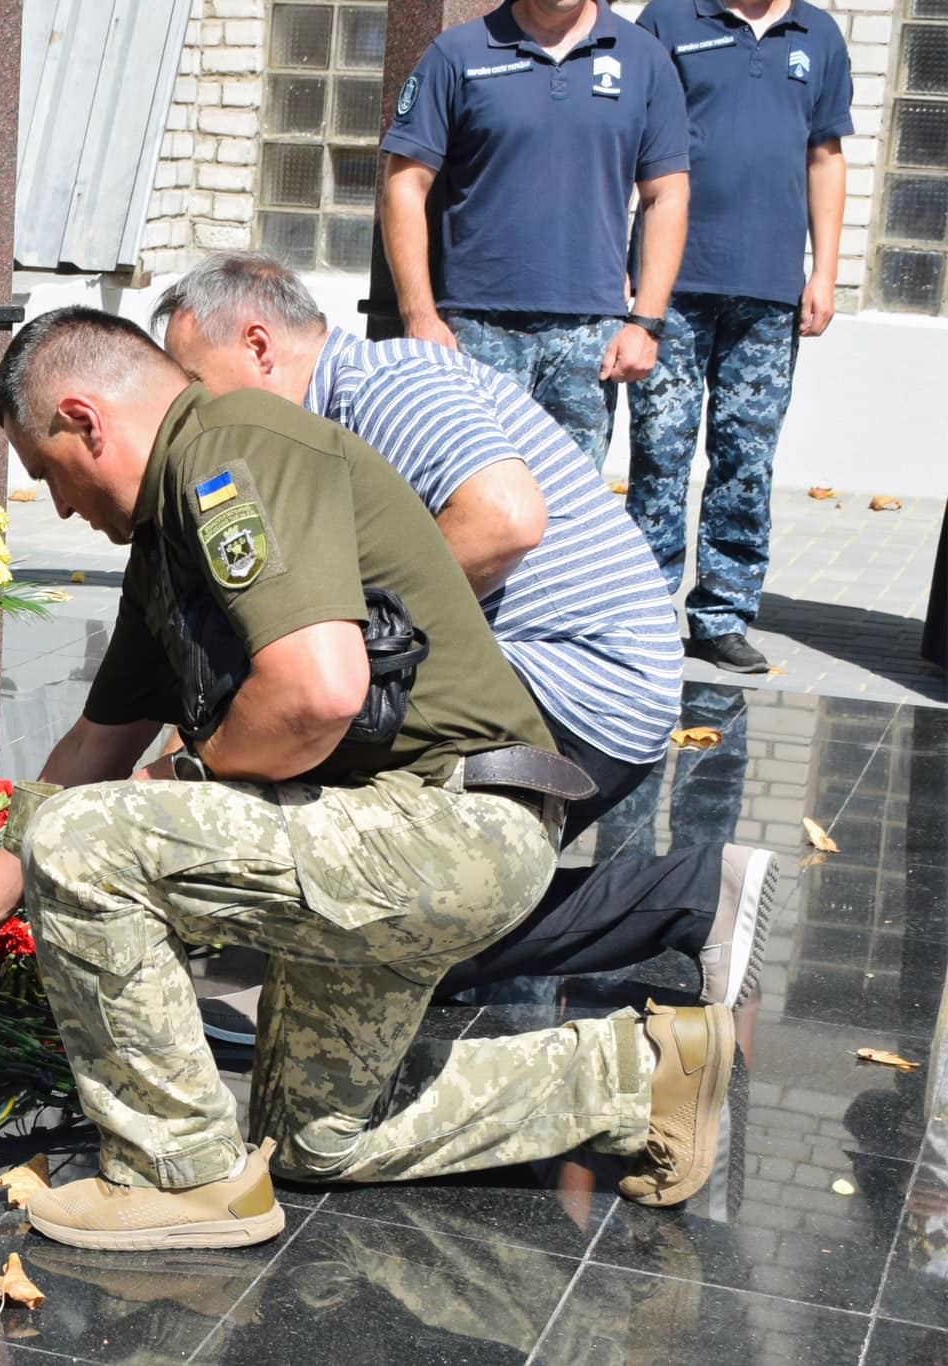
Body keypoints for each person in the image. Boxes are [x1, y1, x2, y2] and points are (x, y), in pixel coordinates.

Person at [0, 307, 734, 1252]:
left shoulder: (230, 450)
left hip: (451, 823)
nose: (57, 506)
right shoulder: (166, 538)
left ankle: (180, 1175)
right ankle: (641, 1074)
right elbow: (92, 750)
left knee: (85, 844)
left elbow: (316, 694)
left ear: (85, 420)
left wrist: (180, 775)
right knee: (315, 1140)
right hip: (394, 827)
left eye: (46, 472)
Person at [152, 252, 778, 1014]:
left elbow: (502, 520)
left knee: (385, 914)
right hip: (569, 681)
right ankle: (701, 895)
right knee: (412, 927)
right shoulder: (333, 414)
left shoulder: (386, 384)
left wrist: (344, 639)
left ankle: (684, 896)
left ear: (258, 344)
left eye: (194, 381)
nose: (191, 412)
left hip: (576, 682)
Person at [625, 0, 853, 675]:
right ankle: (642, 613)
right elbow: (625, 141)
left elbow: (826, 156)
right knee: (660, 454)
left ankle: (722, 616)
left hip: (769, 290)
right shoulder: (670, 20)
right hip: (671, 286)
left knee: (746, 462)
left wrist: (826, 273)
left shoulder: (818, 33)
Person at [379, 0, 691, 469]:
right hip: (475, 330)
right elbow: (405, 185)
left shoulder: (644, 59)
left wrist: (646, 322)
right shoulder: (457, 54)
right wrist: (418, 314)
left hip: (590, 336)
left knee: (571, 501)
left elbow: (665, 196)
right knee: (470, 492)